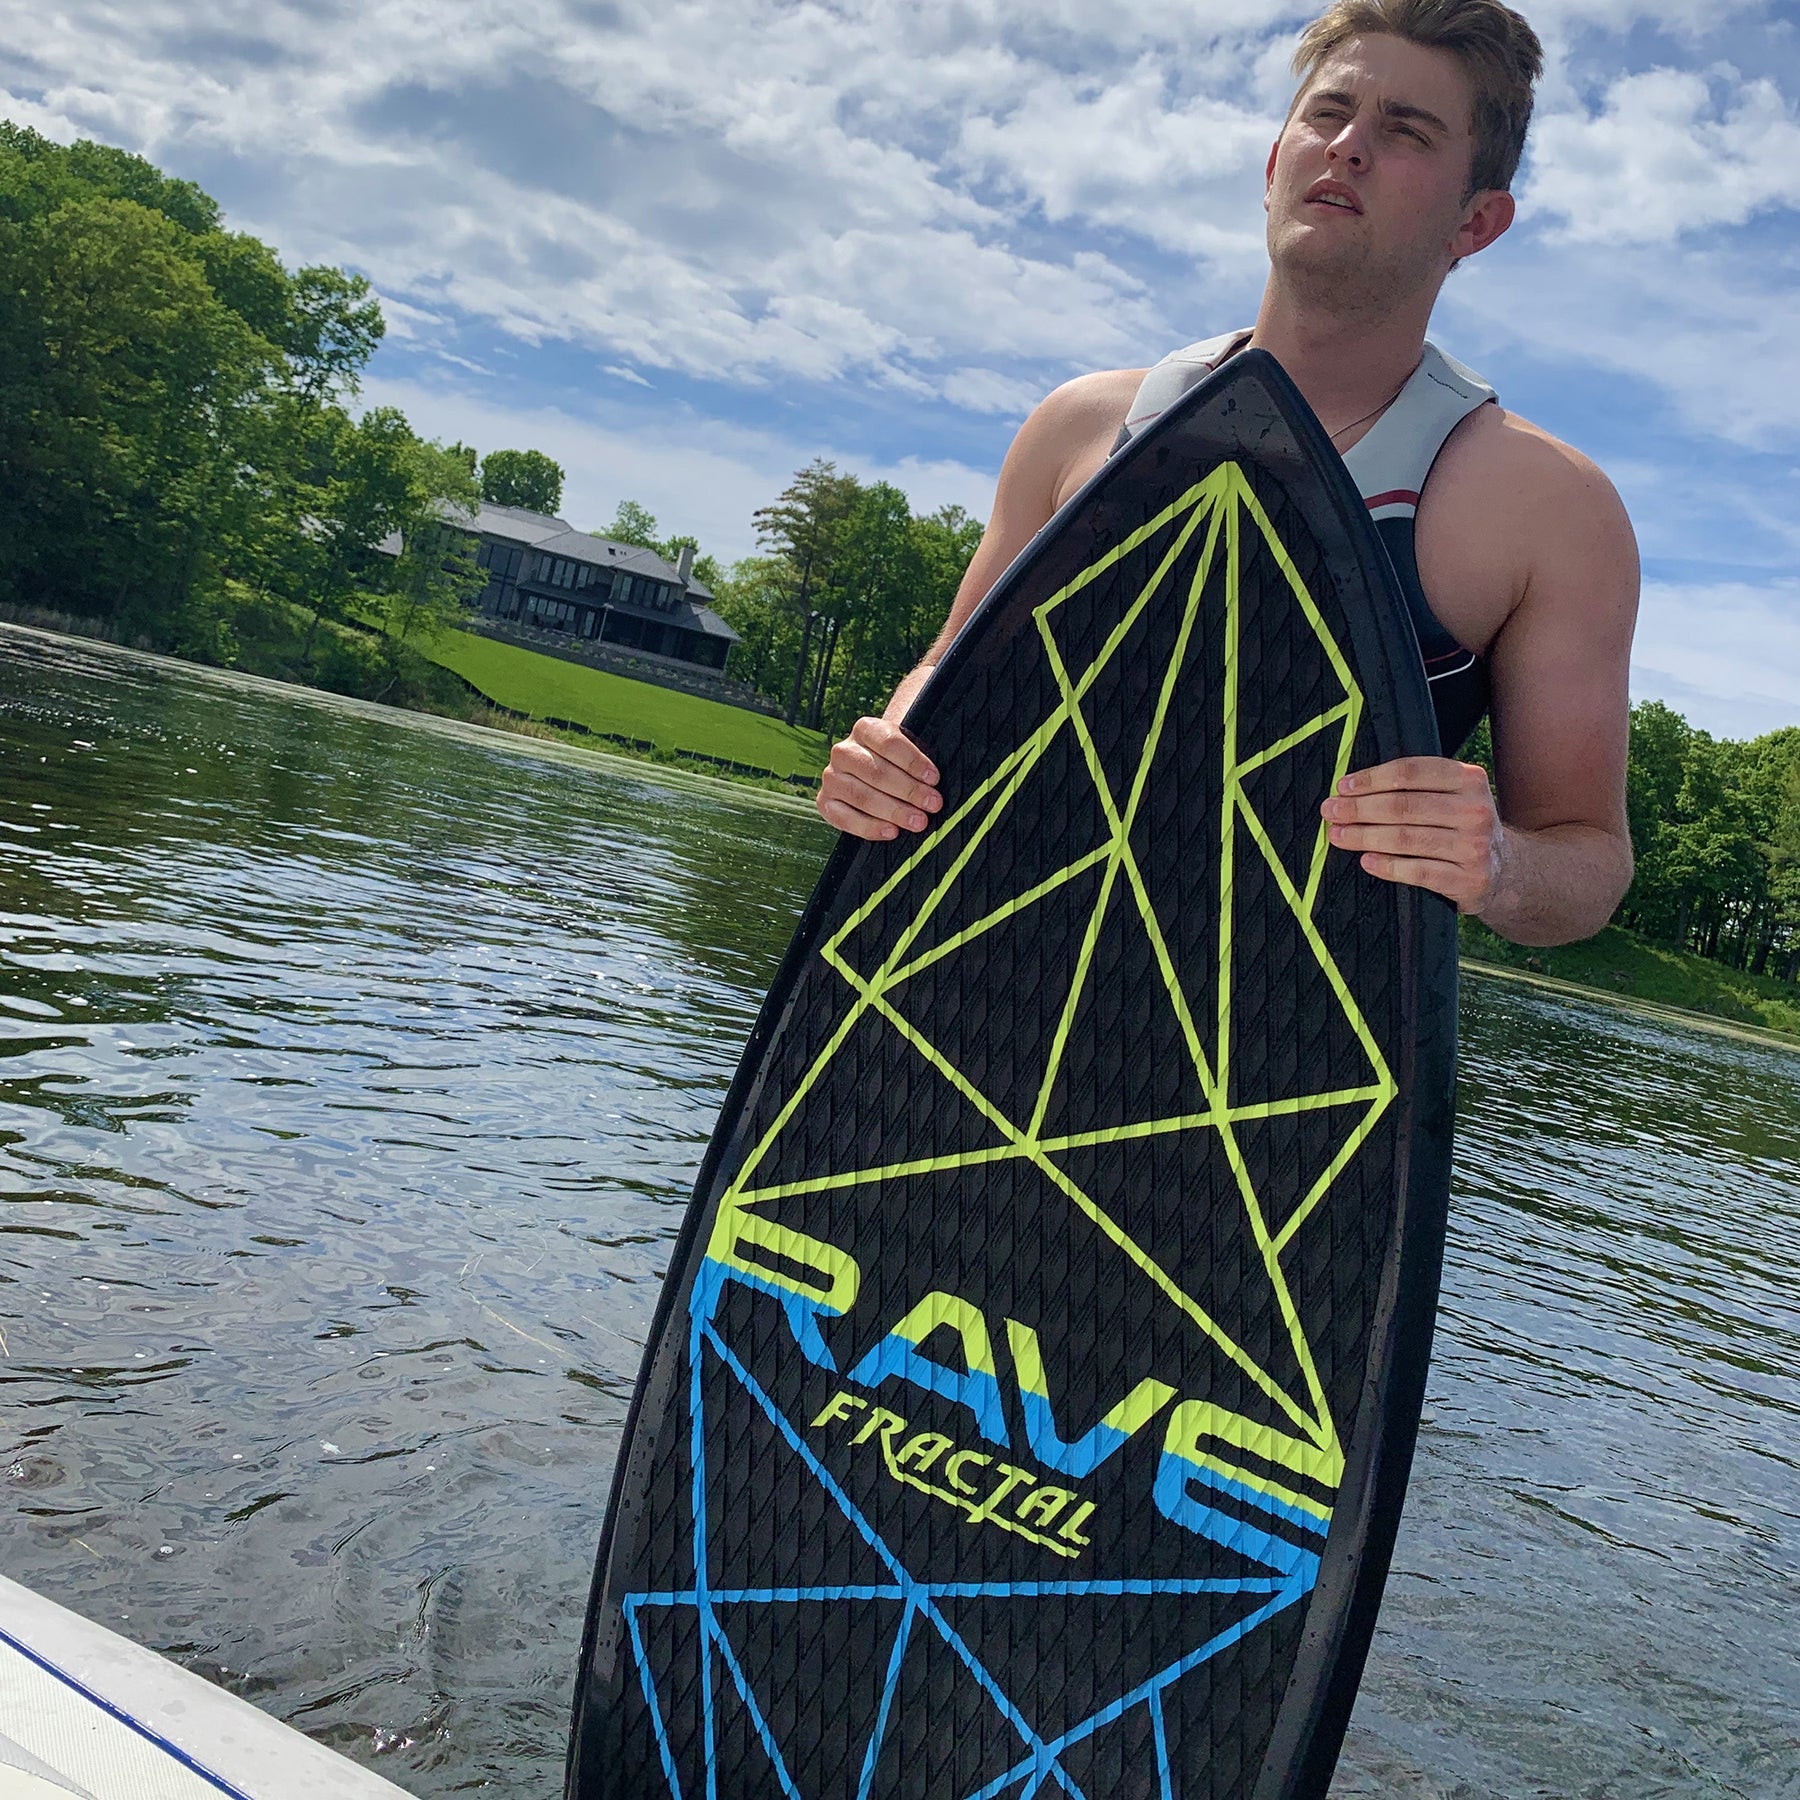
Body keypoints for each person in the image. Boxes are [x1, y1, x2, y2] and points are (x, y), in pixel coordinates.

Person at [816, 0, 1636, 949]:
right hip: (964, 985)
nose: (1349, 147)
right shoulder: (1077, 427)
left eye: (1406, 131)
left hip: (1276, 1033)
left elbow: (1588, 859)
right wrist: (888, 756)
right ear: (1274, 162)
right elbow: (942, 672)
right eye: (1328, 114)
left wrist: (1498, 863)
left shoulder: (1551, 511)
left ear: (1478, 221)